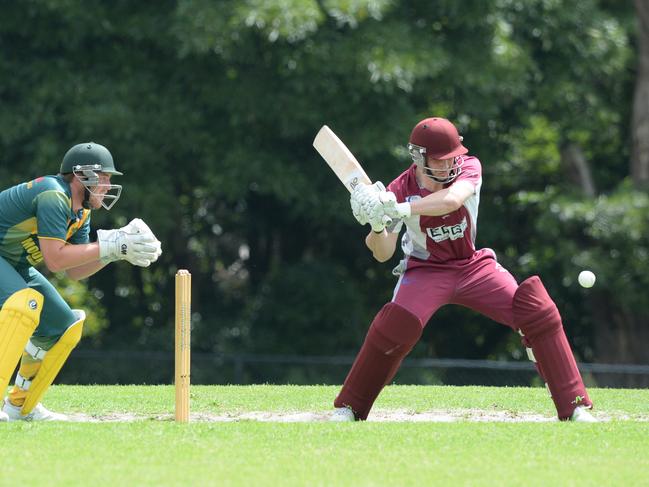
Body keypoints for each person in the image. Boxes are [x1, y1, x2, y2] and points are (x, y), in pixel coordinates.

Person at [331, 117, 596, 423]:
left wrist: (398, 208)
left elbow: (451, 200)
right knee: (395, 327)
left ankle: (574, 406)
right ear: (419, 157)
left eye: (451, 158)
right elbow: (382, 253)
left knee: (536, 310)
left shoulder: (468, 168)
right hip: (424, 271)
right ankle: (349, 407)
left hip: (472, 266)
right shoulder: (398, 189)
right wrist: (378, 225)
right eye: (439, 161)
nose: (447, 167)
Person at [0, 142, 162, 422]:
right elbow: (56, 260)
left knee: (63, 326)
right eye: (104, 177)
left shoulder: (82, 212)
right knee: (24, 305)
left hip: (12, 262)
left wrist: (114, 252)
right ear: (81, 176)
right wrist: (110, 244)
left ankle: (19, 406)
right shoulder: (53, 195)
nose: (108, 185)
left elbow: (74, 271)